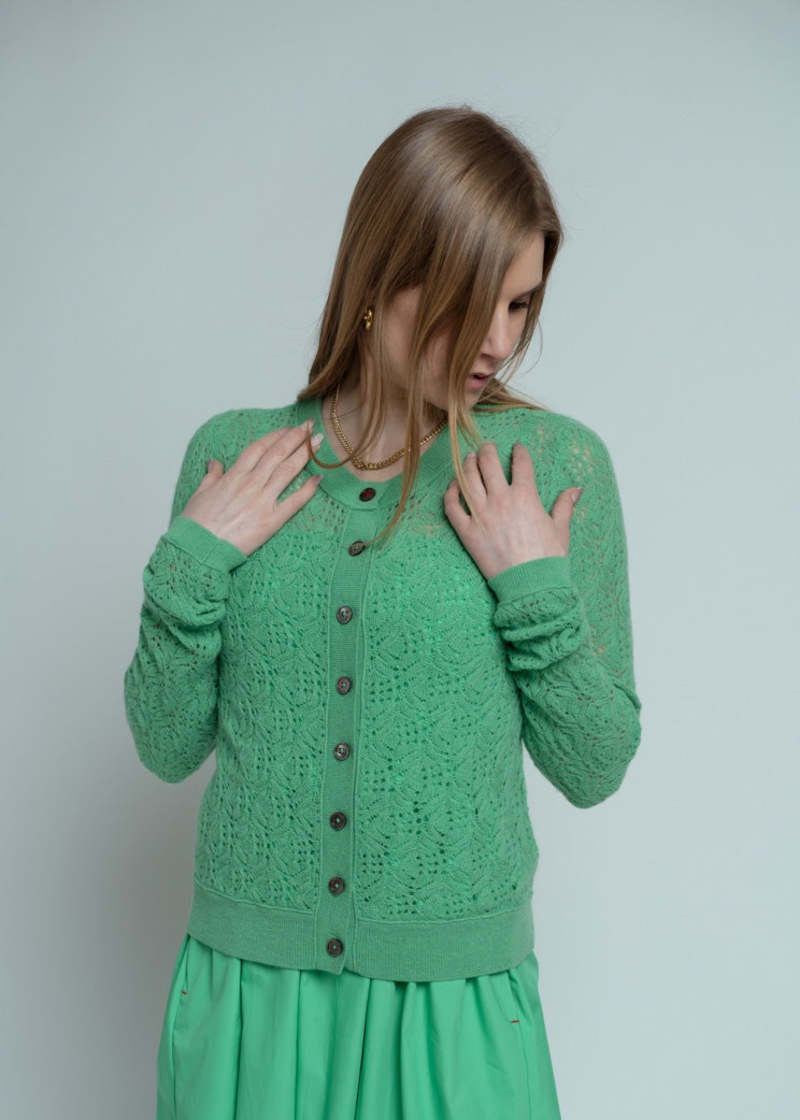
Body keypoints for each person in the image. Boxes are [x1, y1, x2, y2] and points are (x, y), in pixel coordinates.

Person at [123, 105, 643, 1119]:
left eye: (522, 305)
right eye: (472, 304)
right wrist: (189, 562)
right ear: (382, 279)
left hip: (453, 1006)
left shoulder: (552, 469)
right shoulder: (235, 456)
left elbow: (595, 763)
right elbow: (163, 744)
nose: (500, 342)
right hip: (250, 1004)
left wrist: (532, 586)